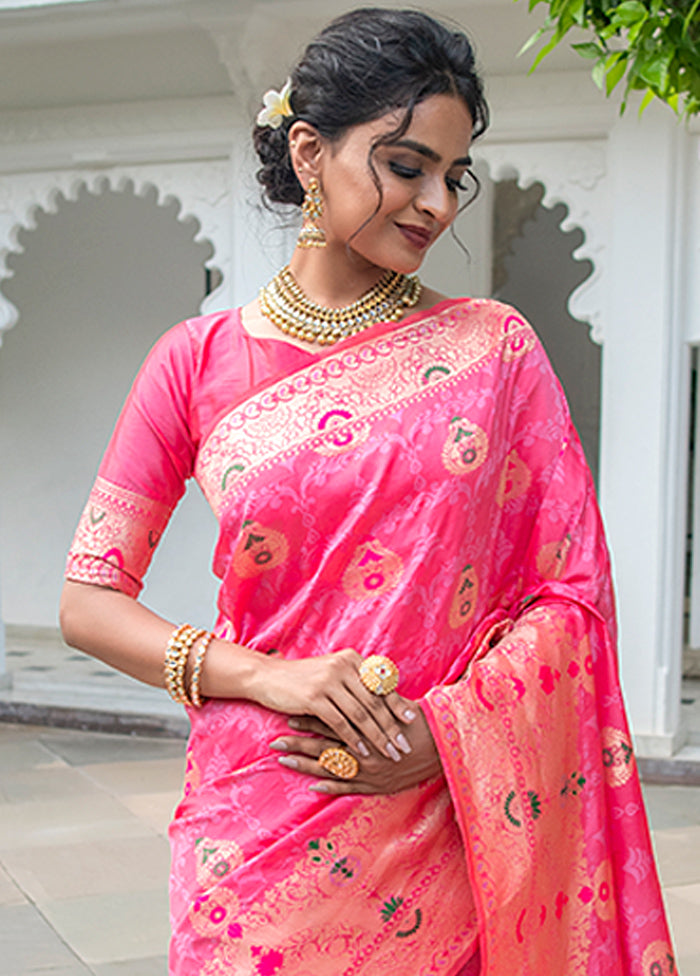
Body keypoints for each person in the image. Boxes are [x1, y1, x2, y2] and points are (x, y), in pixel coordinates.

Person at [60, 8, 674, 975]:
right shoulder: (196, 362)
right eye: (405, 165)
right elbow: (88, 601)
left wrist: (448, 733)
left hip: (447, 817)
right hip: (258, 819)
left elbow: (570, 598)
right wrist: (265, 675)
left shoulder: (494, 349)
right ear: (310, 152)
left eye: (453, 177)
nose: (437, 203)